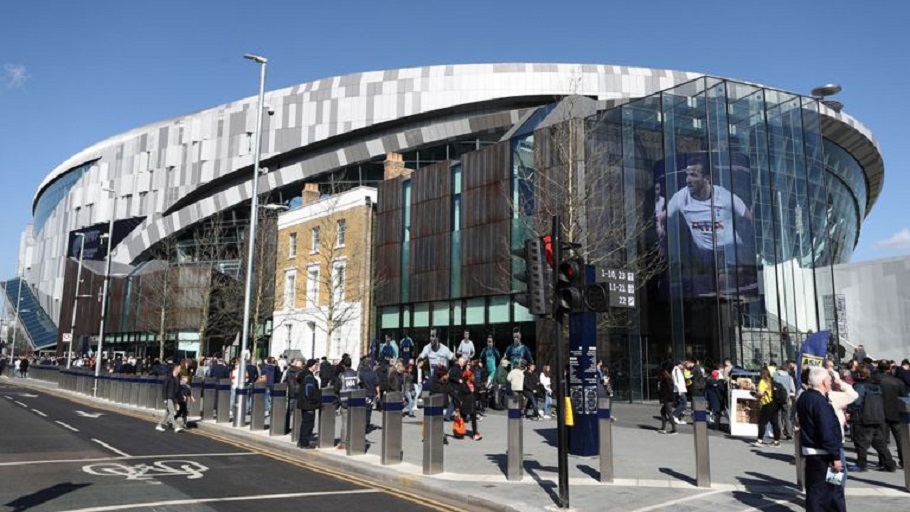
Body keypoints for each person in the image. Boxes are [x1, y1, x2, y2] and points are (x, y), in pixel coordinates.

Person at [658, 158, 753, 294]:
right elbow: (661, 218)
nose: (688, 180)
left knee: (723, 284)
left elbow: (750, 218)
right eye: (687, 175)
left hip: (729, 250)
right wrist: (661, 239)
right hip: (704, 254)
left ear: (707, 178)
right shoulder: (680, 197)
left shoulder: (725, 196)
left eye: (694, 175)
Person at [796, 366, 846, 512]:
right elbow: (826, 430)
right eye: (829, 380)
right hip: (823, 454)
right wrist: (835, 456)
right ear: (823, 382)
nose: (831, 383)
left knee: (827, 490)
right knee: (823, 493)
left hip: (814, 452)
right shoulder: (819, 402)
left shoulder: (805, 397)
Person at [849, 366, 896, 471]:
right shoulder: (877, 386)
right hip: (877, 417)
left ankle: (861, 464)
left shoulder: (860, 386)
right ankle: (890, 463)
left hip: (863, 418)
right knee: (879, 443)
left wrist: (849, 410)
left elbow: (857, 402)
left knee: (861, 442)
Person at [876, 360, 908, 469]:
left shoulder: (876, 381)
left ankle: (884, 461)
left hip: (882, 412)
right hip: (896, 413)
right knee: (900, 439)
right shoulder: (898, 382)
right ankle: (904, 461)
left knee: (883, 439)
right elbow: (904, 398)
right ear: (889, 368)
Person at [753, 367, 781, 447]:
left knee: (762, 422)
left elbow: (761, 393)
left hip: (767, 403)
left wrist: (755, 394)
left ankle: (759, 440)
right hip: (775, 403)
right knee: (774, 423)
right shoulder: (772, 381)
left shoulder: (762, 381)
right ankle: (776, 441)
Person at [296, 359, 321, 449]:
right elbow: (309, 392)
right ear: (311, 366)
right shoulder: (309, 377)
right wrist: (316, 400)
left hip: (304, 403)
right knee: (309, 424)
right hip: (309, 403)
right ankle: (305, 443)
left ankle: (301, 441)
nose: (317, 367)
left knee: (305, 423)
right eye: (316, 365)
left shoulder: (304, 375)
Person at [156, 365, 185, 433]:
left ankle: (159, 425)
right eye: (179, 369)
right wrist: (165, 398)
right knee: (172, 412)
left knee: (167, 412)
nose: (180, 370)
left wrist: (181, 397)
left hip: (174, 397)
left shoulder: (177, 377)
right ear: (175, 369)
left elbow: (178, 389)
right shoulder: (169, 377)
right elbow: (164, 388)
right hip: (169, 397)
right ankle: (176, 426)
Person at [773, 364, 797, 440]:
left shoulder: (775, 375)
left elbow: (772, 385)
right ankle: (789, 433)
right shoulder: (789, 377)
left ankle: (779, 433)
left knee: (778, 416)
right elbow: (793, 389)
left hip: (777, 397)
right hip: (786, 397)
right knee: (787, 415)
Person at [657, 367, 677, 435]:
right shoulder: (669, 379)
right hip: (669, 399)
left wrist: (659, 389)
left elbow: (664, 391)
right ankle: (663, 428)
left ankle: (674, 429)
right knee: (663, 412)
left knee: (669, 414)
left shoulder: (665, 381)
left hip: (667, 399)